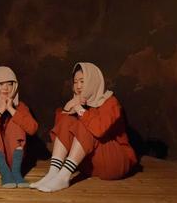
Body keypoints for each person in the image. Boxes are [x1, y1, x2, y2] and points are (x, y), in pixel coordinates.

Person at [32, 62, 136, 192]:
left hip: (114, 162)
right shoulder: (80, 100)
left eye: (82, 81)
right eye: (75, 82)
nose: (78, 86)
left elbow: (99, 130)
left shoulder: (110, 102)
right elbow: (60, 129)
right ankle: (53, 172)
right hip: (91, 165)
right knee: (67, 121)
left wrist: (79, 109)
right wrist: (68, 106)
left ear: (93, 81)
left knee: (84, 124)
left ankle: (63, 177)